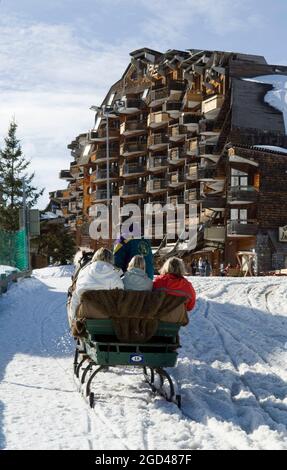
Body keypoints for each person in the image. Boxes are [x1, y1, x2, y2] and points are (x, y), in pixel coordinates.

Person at [68, 247, 123, 325]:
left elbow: (76, 297)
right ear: (111, 259)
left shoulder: (84, 271)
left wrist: (73, 320)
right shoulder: (114, 273)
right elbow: (120, 295)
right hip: (107, 314)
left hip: (85, 313)